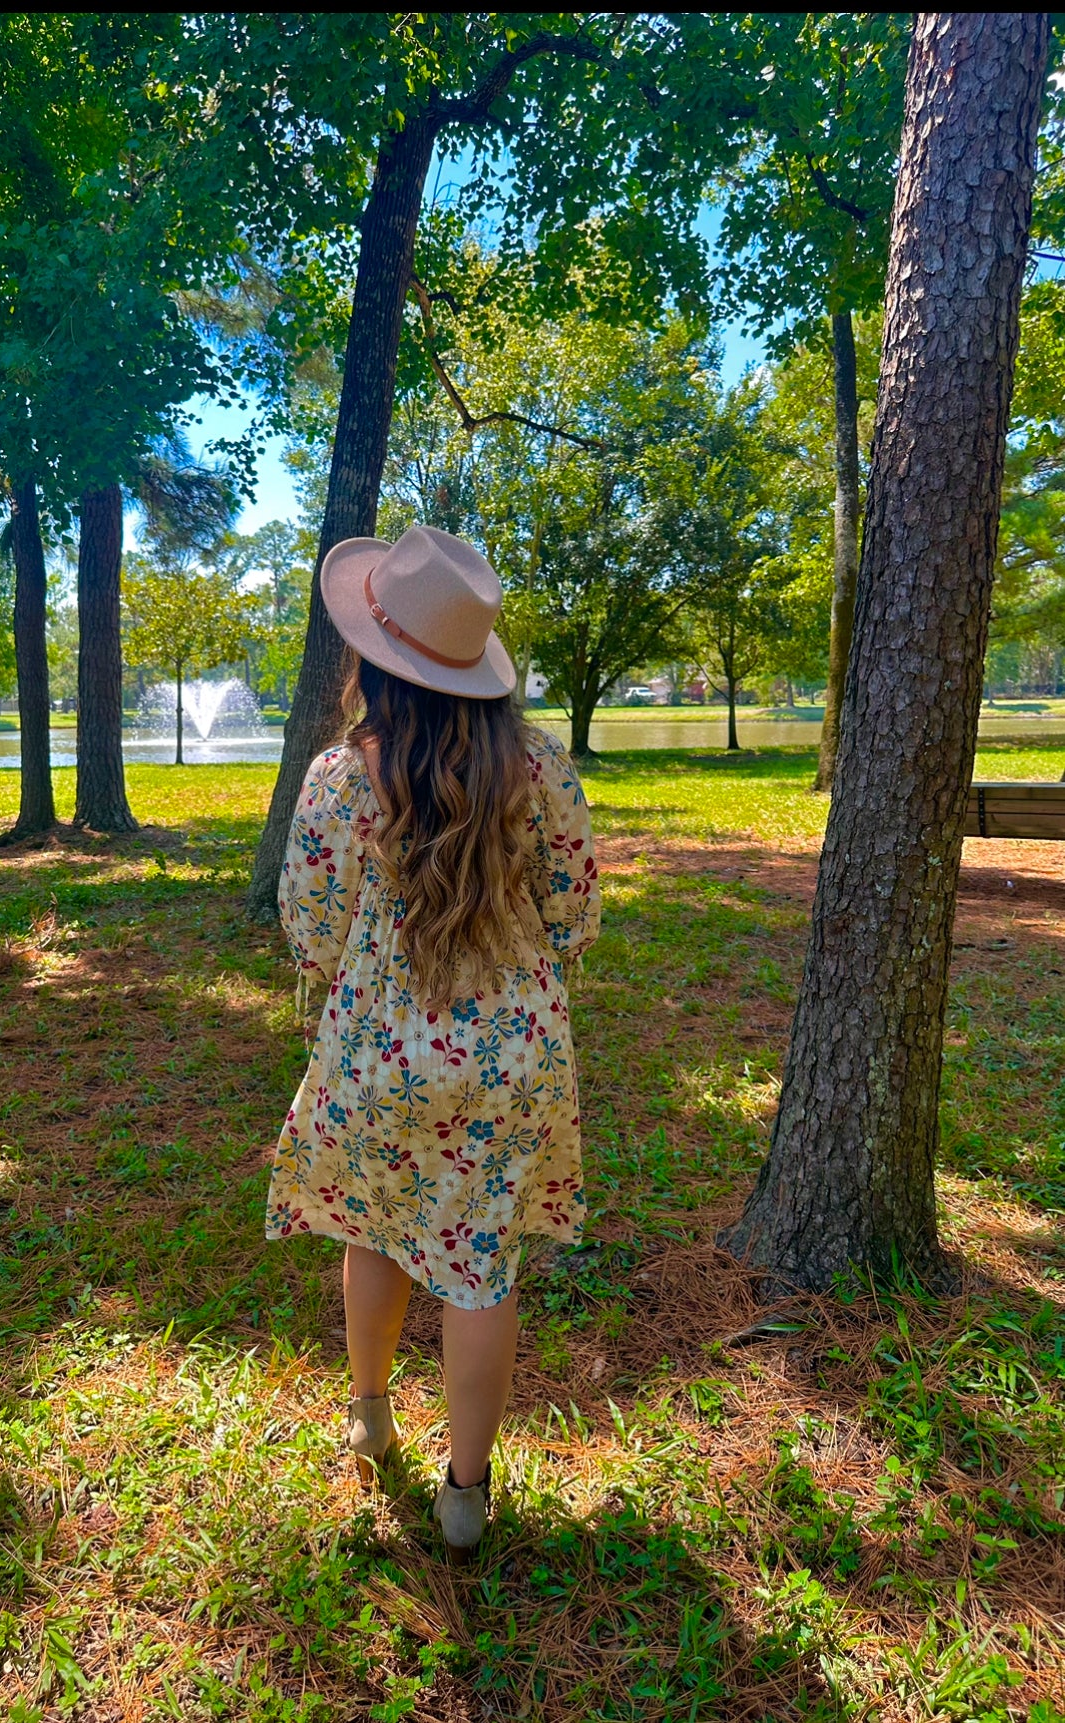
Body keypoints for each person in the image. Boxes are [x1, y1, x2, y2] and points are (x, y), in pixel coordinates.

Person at [266, 524, 599, 1561]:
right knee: (479, 1267)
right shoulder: (540, 765)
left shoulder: (339, 775)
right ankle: (465, 1494)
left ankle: (370, 1417)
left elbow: (311, 928)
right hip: (511, 1055)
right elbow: (575, 911)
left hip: (379, 1052)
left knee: (375, 1230)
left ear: (378, 659)